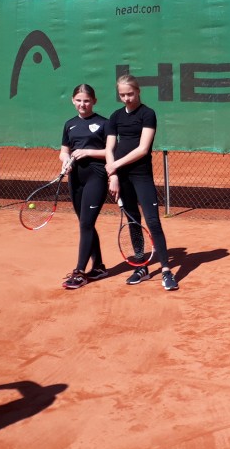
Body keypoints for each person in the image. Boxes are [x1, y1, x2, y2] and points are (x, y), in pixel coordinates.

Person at [105, 74, 179, 291]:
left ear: (138, 91)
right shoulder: (115, 116)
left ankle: (166, 270)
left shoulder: (148, 114)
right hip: (122, 178)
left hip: (141, 175)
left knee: (153, 222)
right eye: (122, 95)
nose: (126, 98)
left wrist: (114, 165)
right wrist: (114, 175)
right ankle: (141, 266)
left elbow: (142, 149)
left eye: (130, 94)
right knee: (133, 222)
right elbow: (109, 148)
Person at [60, 84, 110, 290]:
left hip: (96, 178)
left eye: (87, 100)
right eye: (79, 100)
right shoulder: (69, 124)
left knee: (86, 224)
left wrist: (88, 152)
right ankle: (98, 266)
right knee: (85, 223)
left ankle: (80, 271)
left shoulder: (104, 123)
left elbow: (111, 152)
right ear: (73, 100)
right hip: (76, 180)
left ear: (94, 101)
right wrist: (65, 160)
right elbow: (64, 151)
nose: (83, 104)